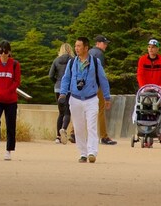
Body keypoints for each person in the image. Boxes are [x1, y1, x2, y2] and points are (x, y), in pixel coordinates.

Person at [59, 36, 112, 164]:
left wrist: (107, 97)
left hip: (91, 99)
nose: (76, 48)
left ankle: (92, 152)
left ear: (86, 48)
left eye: (79, 46)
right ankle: (83, 153)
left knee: (91, 126)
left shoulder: (95, 62)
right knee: (78, 128)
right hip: (75, 99)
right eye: (75, 46)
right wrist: (63, 93)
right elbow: (66, 79)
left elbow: (103, 79)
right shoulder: (72, 62)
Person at [65, 35, 117, 145]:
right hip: (94, 88)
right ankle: (103, 136)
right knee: (100, 110)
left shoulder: (89, 53)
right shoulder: (98, 55)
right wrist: (106, 96)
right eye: (104, 43)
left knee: (79, 112)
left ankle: (74, 133)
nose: (106, 45)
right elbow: (100, 76)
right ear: (98, 43)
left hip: (79, 90)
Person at [0, 40, 21, 161]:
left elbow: (17, 81)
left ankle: (8, 150)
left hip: (11, 99)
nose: (3, 54)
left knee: (10, 124)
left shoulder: (15, 64)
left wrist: (8, 90)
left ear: (9, 52)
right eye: (1, 52)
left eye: (5, 52)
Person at [48, 42, 72, 144]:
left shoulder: (56, 60)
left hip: (58, 88)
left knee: (61, 112)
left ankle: (58, 137)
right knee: (67, 112)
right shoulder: (73, 60)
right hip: (69, 89)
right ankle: (64, 129)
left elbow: (50, 75)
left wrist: (57, 82)